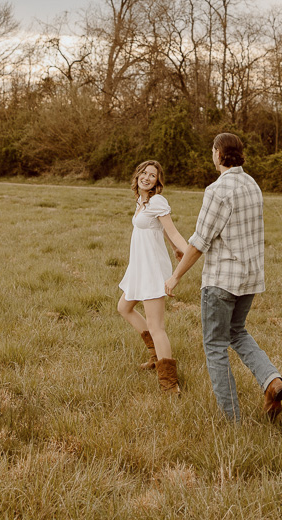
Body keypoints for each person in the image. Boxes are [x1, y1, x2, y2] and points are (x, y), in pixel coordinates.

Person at [164, 133, 282, 422]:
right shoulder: (252, 185)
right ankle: (272, 382)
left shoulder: (218, 190)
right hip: (250, 279)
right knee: (237, 331)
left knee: (215, 345)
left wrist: (175, 277)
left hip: (222, 281)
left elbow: (200, 242)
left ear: (219, 154)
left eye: (212, 151)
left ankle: (232, 420)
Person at [118, 159, 189, 394]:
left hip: (151, 269)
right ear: (138, 175)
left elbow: (173, 231)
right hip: (139, 266)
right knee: (124, 308)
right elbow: (157, 231)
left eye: (153, 175)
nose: (147, 177)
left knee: (156, 325)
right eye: (144, 173)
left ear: (158, 181)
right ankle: (155, 355)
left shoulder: (157, 201)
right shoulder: (142, 200)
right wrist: (173, 249)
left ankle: (169, 382)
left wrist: (188, 251)